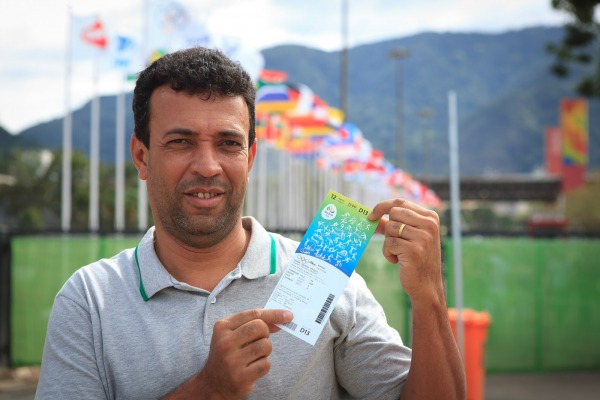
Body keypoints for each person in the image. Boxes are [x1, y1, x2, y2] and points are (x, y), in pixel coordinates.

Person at [36, 47, 465, 399]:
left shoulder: (328, 274)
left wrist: (428, 296)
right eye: (181, 141)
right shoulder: (89, 300)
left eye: (228, 144)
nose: (207, 166)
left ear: (251, 157)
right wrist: (208, 390)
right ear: (142, 156)